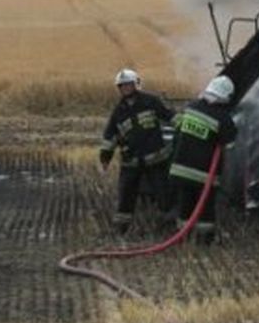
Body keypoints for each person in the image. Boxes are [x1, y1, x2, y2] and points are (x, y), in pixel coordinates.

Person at [98, 69, 176, 234]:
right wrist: (105, 157)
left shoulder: (151, 101)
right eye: (122, 86)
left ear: (136, 85)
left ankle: (168, 227)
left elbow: (169, 116)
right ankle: (121, 229)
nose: (126, 88)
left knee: (164, 194)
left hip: (155, 160)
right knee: (126, 196)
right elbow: (110, 136)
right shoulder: (119, 111)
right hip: (131, 161)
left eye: (128, 85)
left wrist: (185, 126)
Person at [169, 76, 237, 244]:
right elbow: (230, 143)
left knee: (185, 206)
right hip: (203, 175)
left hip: (180, 169)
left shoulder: (190, 107)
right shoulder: (223, 118)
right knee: (205, 210)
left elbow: (178, 130)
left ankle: (182, 238)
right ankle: (204, 241)